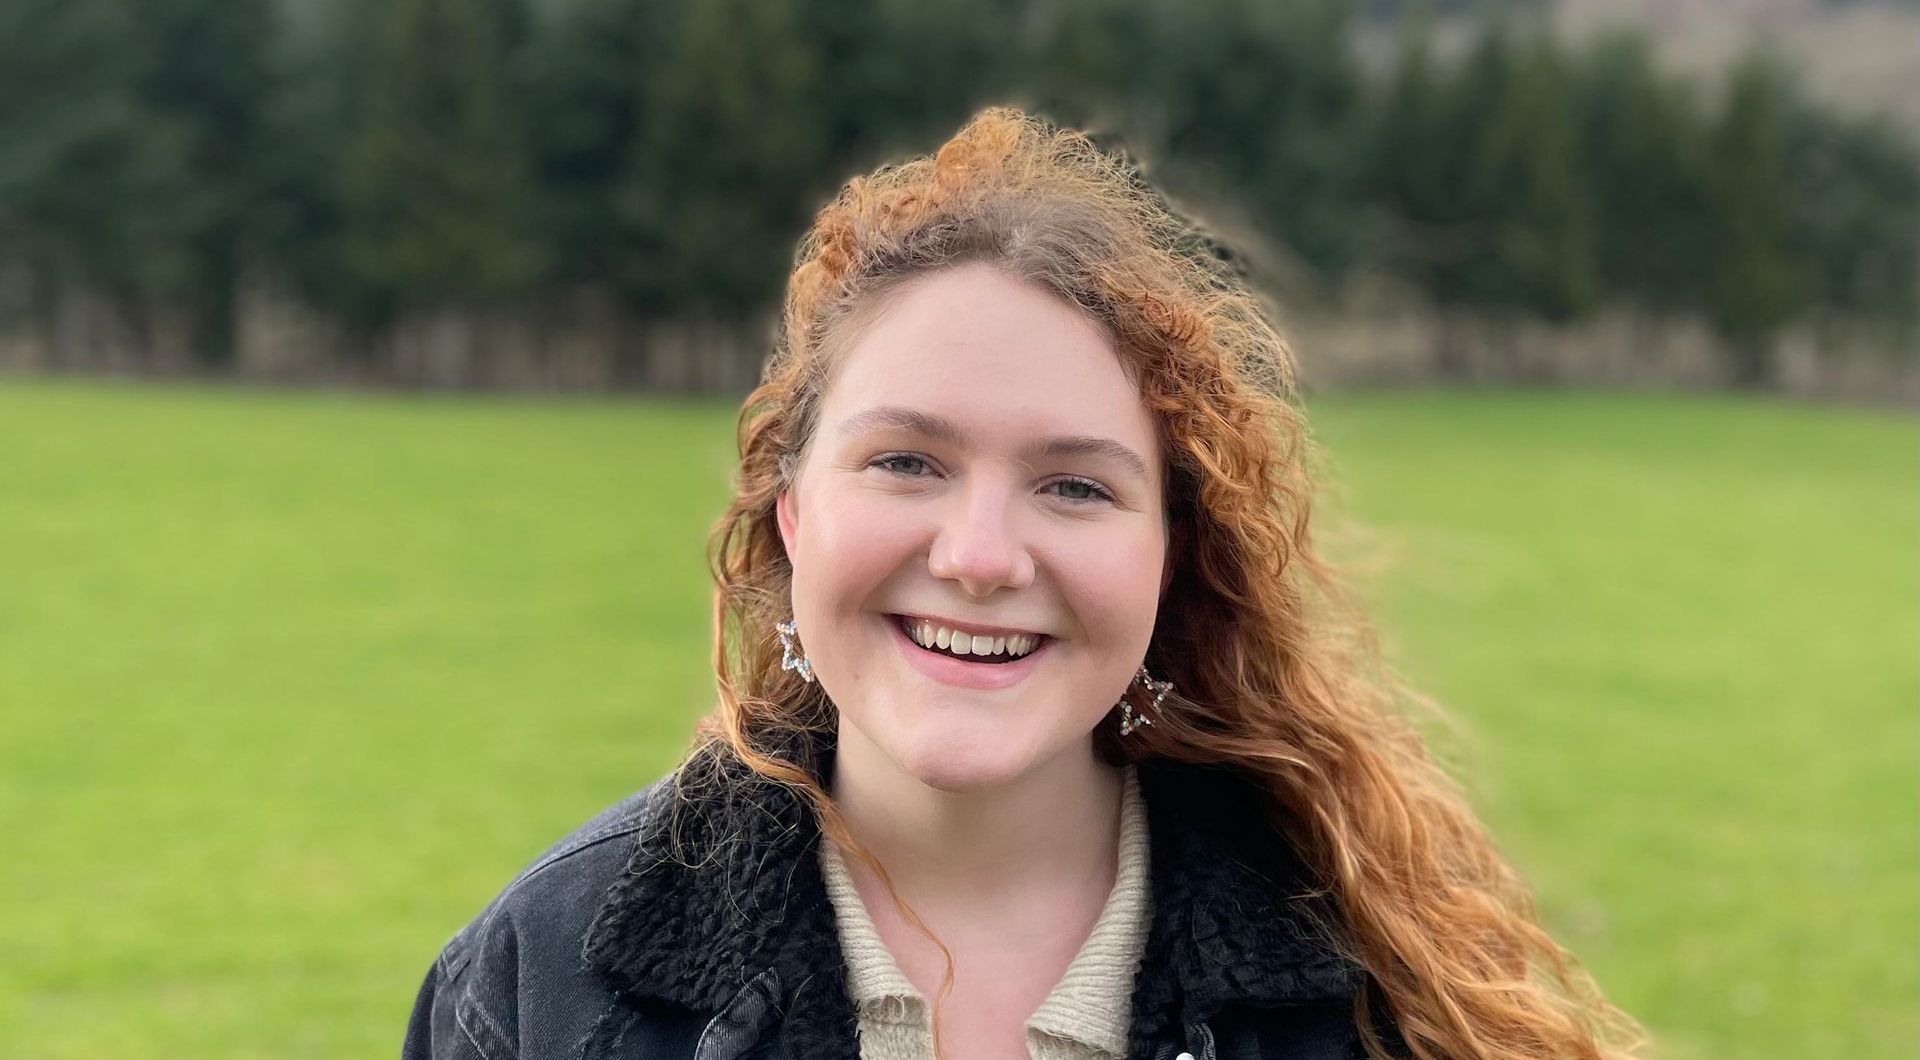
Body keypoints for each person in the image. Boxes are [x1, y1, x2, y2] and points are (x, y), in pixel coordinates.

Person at [401, 106, 1650, 1060]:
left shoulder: (1370, 980)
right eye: (906, 461)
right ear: (793, 517)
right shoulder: (540, 975)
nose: (982, 555)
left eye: (1075, 485)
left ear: (1173, 558)